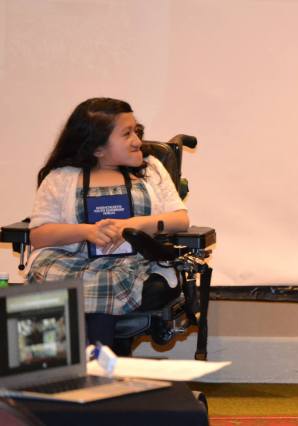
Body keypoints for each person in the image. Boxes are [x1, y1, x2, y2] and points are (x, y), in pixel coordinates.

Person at [27, 97, 189, 354]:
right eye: (127, 134)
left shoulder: (152, 170)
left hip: (133, 262)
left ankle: (99, 375)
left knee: (104, 283)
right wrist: (87, 232)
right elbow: (39, 236)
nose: (138, 140)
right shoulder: (61, 178)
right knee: (61, 282)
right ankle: (59, 374)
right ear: (97, 148)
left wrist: (134, 225)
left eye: (136, 130)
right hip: (72, 259)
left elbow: (180, 219)